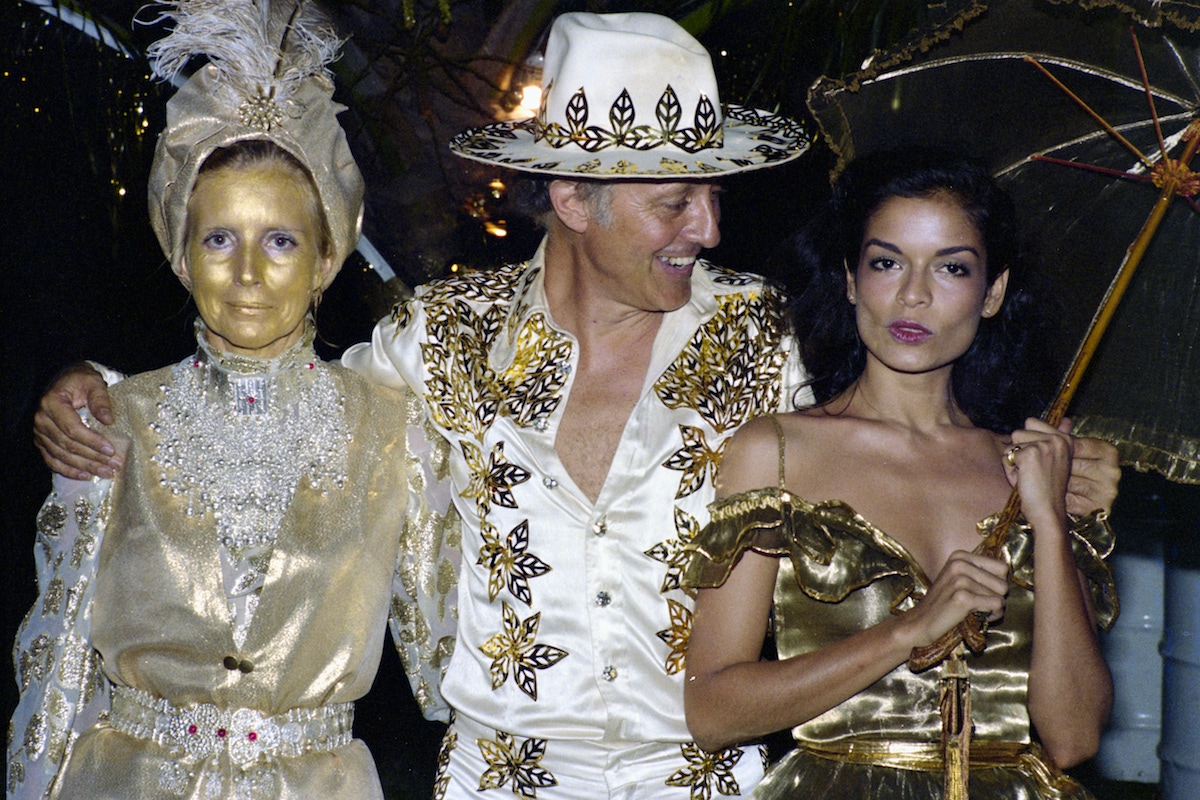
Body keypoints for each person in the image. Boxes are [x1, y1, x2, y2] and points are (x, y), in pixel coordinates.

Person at [30, 14, 1119, 800]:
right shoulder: (437, 344)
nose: (706, 224)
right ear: (572, 199)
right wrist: (92, 391)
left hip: (711, 783)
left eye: (714, 191)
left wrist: (1067, 470)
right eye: (673, 198)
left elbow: (905, 419)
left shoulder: (769, 342)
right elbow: (269, 376)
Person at [8, 3, 454, 799]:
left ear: (326, 258)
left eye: (280, 240)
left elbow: (461, 659)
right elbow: (57, 668)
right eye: (219, 239)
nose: (247, 272)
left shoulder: (395, 429)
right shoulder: (111, 419)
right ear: (181, 256)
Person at [682, 149, 1117, 800]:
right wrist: (908, 631)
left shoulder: (1032, 467)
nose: (914, 294)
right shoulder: (776, 452)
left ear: (992, 291)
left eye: (952, 268)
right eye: (887, 262)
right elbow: (713, 713)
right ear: (853, 280)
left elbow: (1074, 738)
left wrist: (1049, 522)